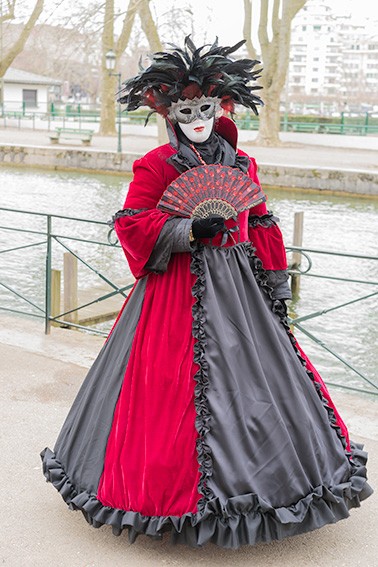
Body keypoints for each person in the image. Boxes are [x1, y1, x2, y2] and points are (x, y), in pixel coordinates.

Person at [41, 37, 372, 549]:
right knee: (167, 391)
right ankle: (171, 499)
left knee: (260, 380)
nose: (197, 118)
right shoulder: (156, 166)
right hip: (175, 289)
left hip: (241, 289)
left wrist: (276, 283)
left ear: (223, 109)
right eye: (186, 110)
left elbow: (260, 221)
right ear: (171, 114)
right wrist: (188, 231)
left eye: (206, 108)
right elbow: (131, 224)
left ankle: (267, 486)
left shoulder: (243, 166)